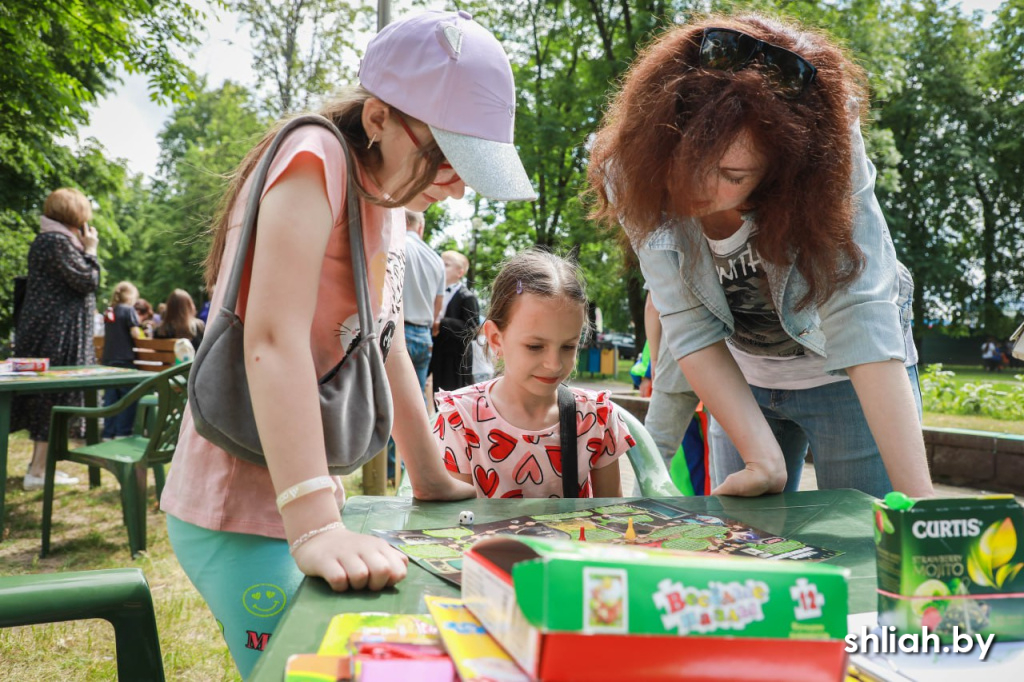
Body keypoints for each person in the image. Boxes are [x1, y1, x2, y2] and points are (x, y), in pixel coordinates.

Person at [158, 10, 536, 677]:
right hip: (238, 509)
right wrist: (313, 523)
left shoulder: (385, 201)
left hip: (299, 503)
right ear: (380, 117)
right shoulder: (316, 159)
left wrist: (427, 472)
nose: (456, 180)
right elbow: (272, 340)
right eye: (445, 153)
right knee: (307, 666)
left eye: (470, 162)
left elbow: (383, 341)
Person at [588, 14, 934, 499]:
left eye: (733, 175)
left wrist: (920, 510)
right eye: (688, 163)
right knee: (747, 547)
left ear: (780, 170)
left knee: (868, 543)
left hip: (848, 377)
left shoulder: (827, 166)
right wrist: (763, 458)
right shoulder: (626, 168)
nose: (698, 190)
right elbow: (688, 324)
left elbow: (861, 312)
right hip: (740, 379)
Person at [435, 249, 633, 498]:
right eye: (535, 346)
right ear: (496, 339)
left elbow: (610, 518)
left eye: (568, 347)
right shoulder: (460, 418)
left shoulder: (596, 418)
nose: (554, 364)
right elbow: (455, 527)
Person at [12, 187, 99, 491]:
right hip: (56, 335)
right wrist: (90, 250)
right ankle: (37, 471)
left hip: (53, 332)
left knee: (49, 401)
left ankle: (40, 467)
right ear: (76, 215)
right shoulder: (57, 242)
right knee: (51, 400)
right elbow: (87, 280)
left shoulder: (52, 240)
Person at [401, 210, 445, 398]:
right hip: (424, 336)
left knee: (388, 398)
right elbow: (439, 302)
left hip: (399, 332)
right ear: (420, 227)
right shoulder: (436, 259)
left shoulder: (398, 245)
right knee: (417, 397)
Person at [430, 250, 479, 392]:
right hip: (436, 352)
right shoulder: (433, 292)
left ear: (460, 272)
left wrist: (442, 324)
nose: (441, 267)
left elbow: (472, 330)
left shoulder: (467, 297)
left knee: (453, 395)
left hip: (455, 358)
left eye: (446, 265)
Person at [100, 281, 144, 439]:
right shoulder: (128, 310)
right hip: (124, 359)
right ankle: (122, 432)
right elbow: (135, 334)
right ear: (131, 296)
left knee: (111, 399)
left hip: (109, 359)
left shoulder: (109, 311)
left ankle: (108, 432)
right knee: (128, 398)